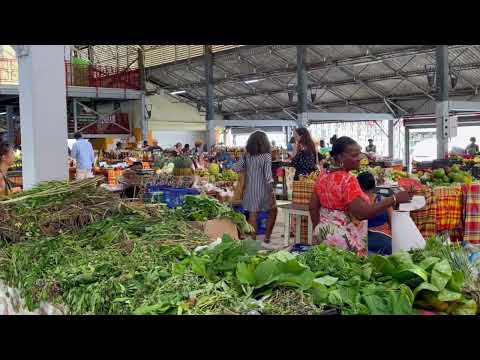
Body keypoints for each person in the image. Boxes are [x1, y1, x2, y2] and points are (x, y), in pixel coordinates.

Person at [309, 136, 411, 256]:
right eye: (354, 155)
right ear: (340, 157)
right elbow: (361, 213)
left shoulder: (322, 177)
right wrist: (394, 199)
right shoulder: (348, 180)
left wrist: (320, 229)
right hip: (346, 241)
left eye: (359, 154)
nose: (359, 159)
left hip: (324, 236)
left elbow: (312, 207)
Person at [234, 131, 278, 243]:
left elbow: (237, 169)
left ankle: (252, 241)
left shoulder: (247, 156)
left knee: (253, 215)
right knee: (273, 211)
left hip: (250, 190)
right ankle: (267, 237)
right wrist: (272, 191)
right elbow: (268, 176)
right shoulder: (266, 156)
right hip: (265, 190)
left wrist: (244, 155)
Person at [357, 172, 393, 255]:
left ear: (358, 187)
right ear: (374, 186)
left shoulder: (356, 203)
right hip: (386, 241)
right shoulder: (385, 201)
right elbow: (393, 225)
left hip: (366, 241)